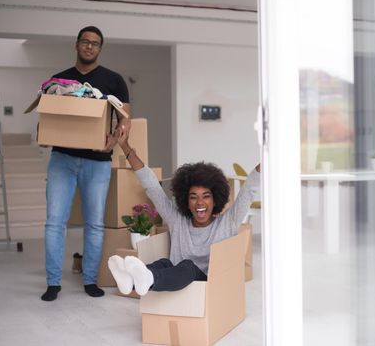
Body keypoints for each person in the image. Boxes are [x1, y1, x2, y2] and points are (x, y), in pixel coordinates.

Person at [107, 129, 260, 296]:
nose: (200, 202)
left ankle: (149, 278)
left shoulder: (228, 222)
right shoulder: (177, 221)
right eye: (193, 197)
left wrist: (271, 151)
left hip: (205, 284)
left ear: (215, 199)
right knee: (165, 263)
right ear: (186, 201)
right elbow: (152, 186)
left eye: (206, 196)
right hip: (176, 280)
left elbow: (249, 188)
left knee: (188, 266)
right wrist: (126, 147)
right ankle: (130, 279)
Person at [41, 26, 131, 301]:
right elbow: (48, 116)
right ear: (77, 44)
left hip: (98, 161)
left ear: (100, 48)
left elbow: (124, 119)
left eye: (95, 43)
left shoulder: (113, 80)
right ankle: (53, 283)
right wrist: (43, 134)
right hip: (62, 159)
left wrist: (115, 140)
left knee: (93, 223)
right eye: (85, 42)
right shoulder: (60, 80)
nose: (89, 47)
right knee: (55, 222)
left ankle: (90, 280)